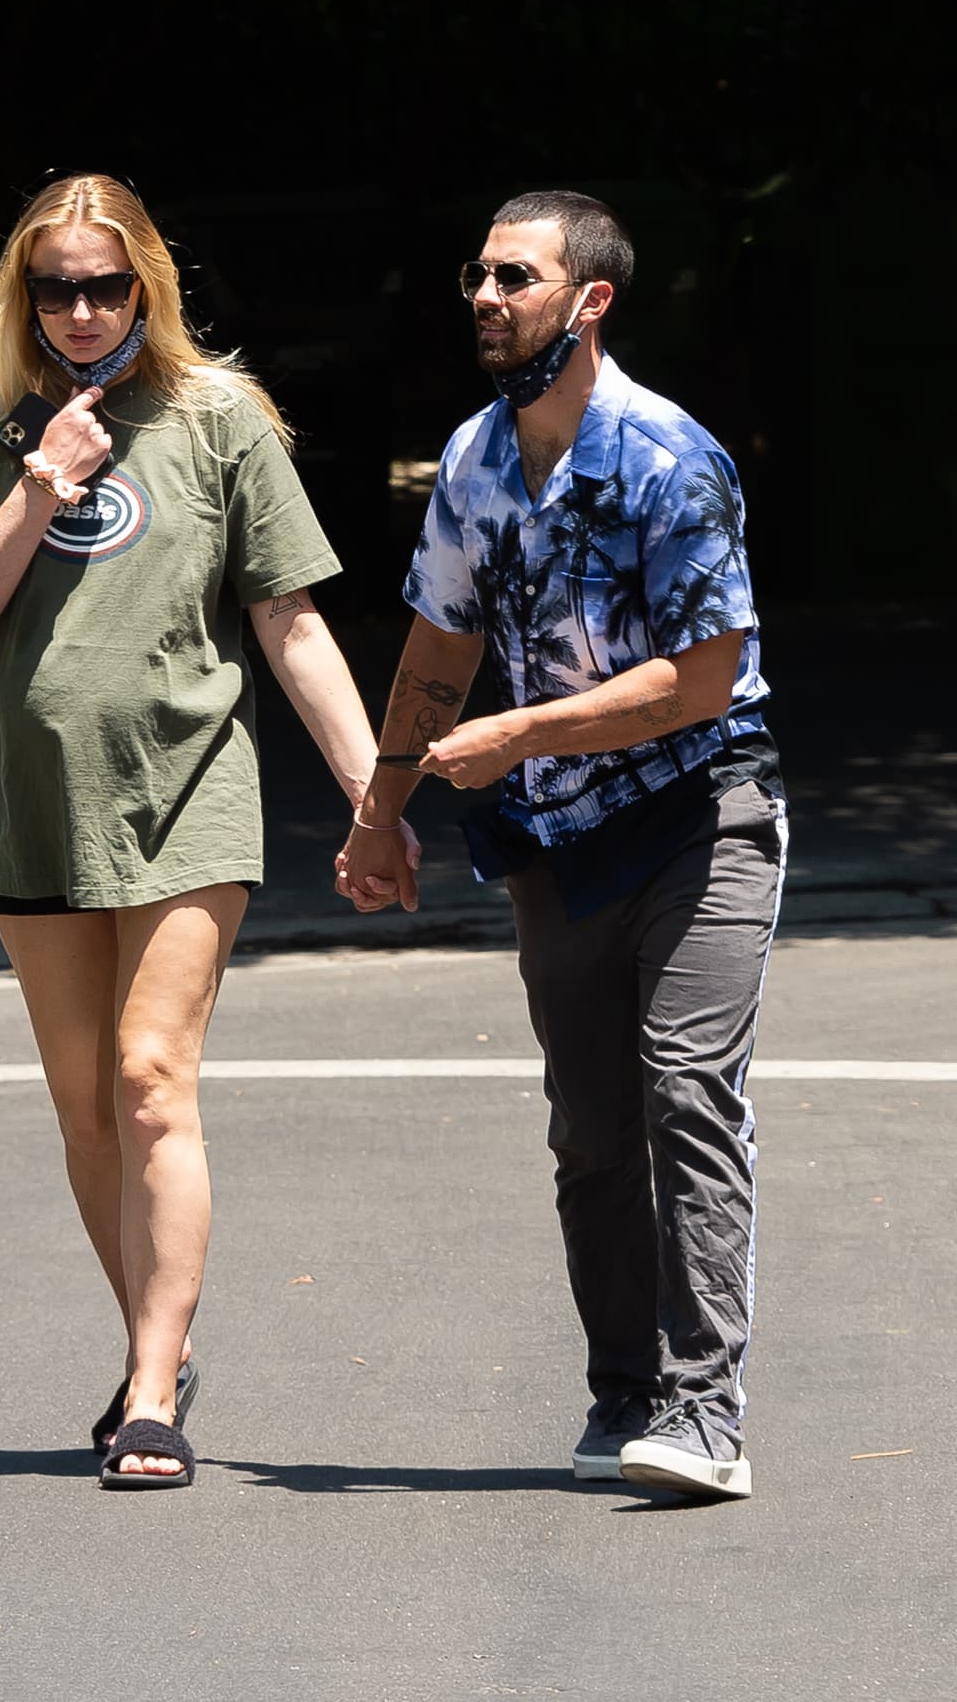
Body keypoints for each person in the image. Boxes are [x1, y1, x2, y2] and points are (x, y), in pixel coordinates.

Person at [0, 173, 408, 1490]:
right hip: (34, 804)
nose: (79, 309)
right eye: (53, 286)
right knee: (84, 1112)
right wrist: (38, 481)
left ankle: (146, 1389)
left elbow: (290, 620)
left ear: (147, 288)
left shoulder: (216, 416)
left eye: (104, 285)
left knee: (145, 1078)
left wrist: (375, 793)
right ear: (23, 293)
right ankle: (156, 1352)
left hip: (189, 791)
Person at [337, 189, 786, 1500]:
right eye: (475, 274)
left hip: (706, 810)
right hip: (559, 838)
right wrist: (380, 812)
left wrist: (521, 733)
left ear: (589, 300)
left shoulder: (669, 459)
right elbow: (438, 638)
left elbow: (704, 681)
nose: (485, 296)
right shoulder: (477, 458)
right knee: (592, 1129)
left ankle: (706, 1418)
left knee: (686, 1094)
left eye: (515, 276)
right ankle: (629, 1394)